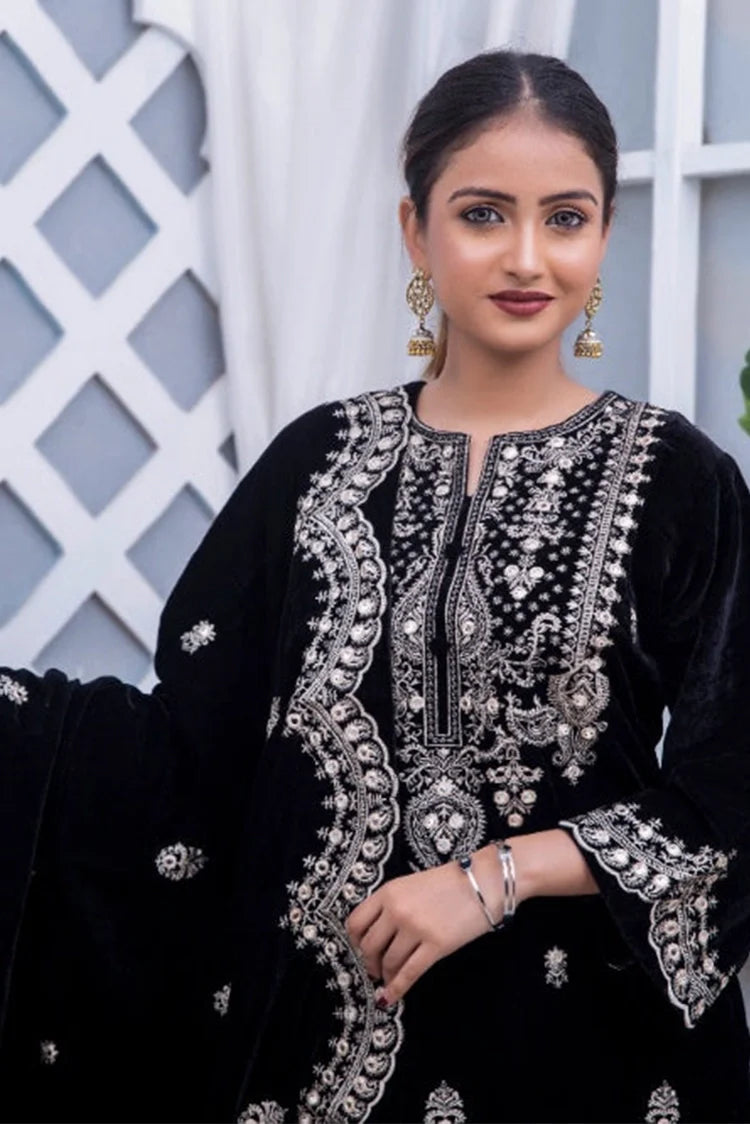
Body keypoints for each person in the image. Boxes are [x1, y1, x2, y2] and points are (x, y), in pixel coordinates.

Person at [1, 48, 749, 1124]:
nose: (528, 257)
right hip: (318, 1047)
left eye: (566, 218)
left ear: (603, 234)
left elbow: (732, 784)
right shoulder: (314, 465)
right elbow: (192, 755)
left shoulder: (682, 482)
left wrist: (493, 878)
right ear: (416, 231)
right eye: (483, 214)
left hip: (589, 1051)